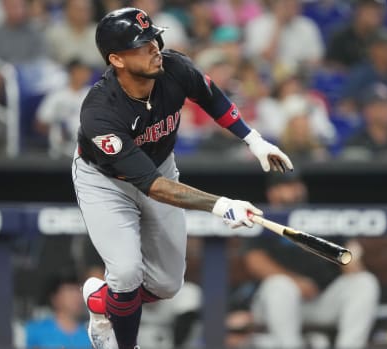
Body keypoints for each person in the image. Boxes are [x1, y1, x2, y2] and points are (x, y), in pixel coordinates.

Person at [72, 8, 294, 349]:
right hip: (106, 182)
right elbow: (153, 187)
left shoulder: (174, 67)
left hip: (159, 166)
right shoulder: (100, 112)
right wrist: (220, 205)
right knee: (127, 271)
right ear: (116, 59)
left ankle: (103, 301)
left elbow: (212, 98)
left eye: (153, 39)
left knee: (167, 285)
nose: (154, 48)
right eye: (141, 45)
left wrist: (254, 140)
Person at [243, 171, 380, 349]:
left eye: (297, 184)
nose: (296, 190)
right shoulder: (263, 218)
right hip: (278, 304)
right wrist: (295, 282)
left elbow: (348, 260)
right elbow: (255, 261)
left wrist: (353, 262)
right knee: (279, 285)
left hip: (321, 300)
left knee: (365, 282)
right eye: (288, 186)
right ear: (272, 193)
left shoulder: (321, 218)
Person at [0, 0, 49, 148]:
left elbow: (42, 61)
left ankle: (48, 138)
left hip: (31, 81)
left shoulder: (35, 32)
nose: (18, 11)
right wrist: (4, 72)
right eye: (14, 7)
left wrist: (18, 71)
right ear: (4, 8)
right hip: (5, 82)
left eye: (21, 6)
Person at [339, 28, 387, 114]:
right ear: (372, 50)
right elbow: (346, 106)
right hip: (366, 124)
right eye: (383, 47)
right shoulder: (359, 74)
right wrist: (373, 112)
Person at [35, 59, 93, 158]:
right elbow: (39, 123)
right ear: (72, 72)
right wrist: (56, 129)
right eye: (81, 71)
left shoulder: (94, 94)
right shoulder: (57, 95)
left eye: (87, 71)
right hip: (62, 150)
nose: (85, 74)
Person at [244, 0, 324, 68]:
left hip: (299, 77)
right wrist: (279, 25)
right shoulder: (258, 25)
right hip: (266, 76)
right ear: (276, 4)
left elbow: (316, 60)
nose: (292, 8)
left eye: (295, 4)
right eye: (287, 4)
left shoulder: (307, 26)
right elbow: (265, 58)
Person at [25, 272, 92, 349]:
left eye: (79, 291)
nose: (77, 297)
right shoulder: (34, 331)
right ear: (55, 298)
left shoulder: (90, 335)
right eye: (70, 291)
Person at [325, 0, 386, 70]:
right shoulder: (340, 36)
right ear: (358, 12)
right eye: (370, 11)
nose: (375, 16)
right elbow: (331, 64)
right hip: (345, 78)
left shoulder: (382, 38)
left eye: (377, 12)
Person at [46, 0, 104, 69]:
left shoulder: (102, 32)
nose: (83, 13)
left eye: (86, 9)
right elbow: (48, 63)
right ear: (67, 10)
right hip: (62, 75)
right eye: (78, 9)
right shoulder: (53, 33)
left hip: (96, 75)